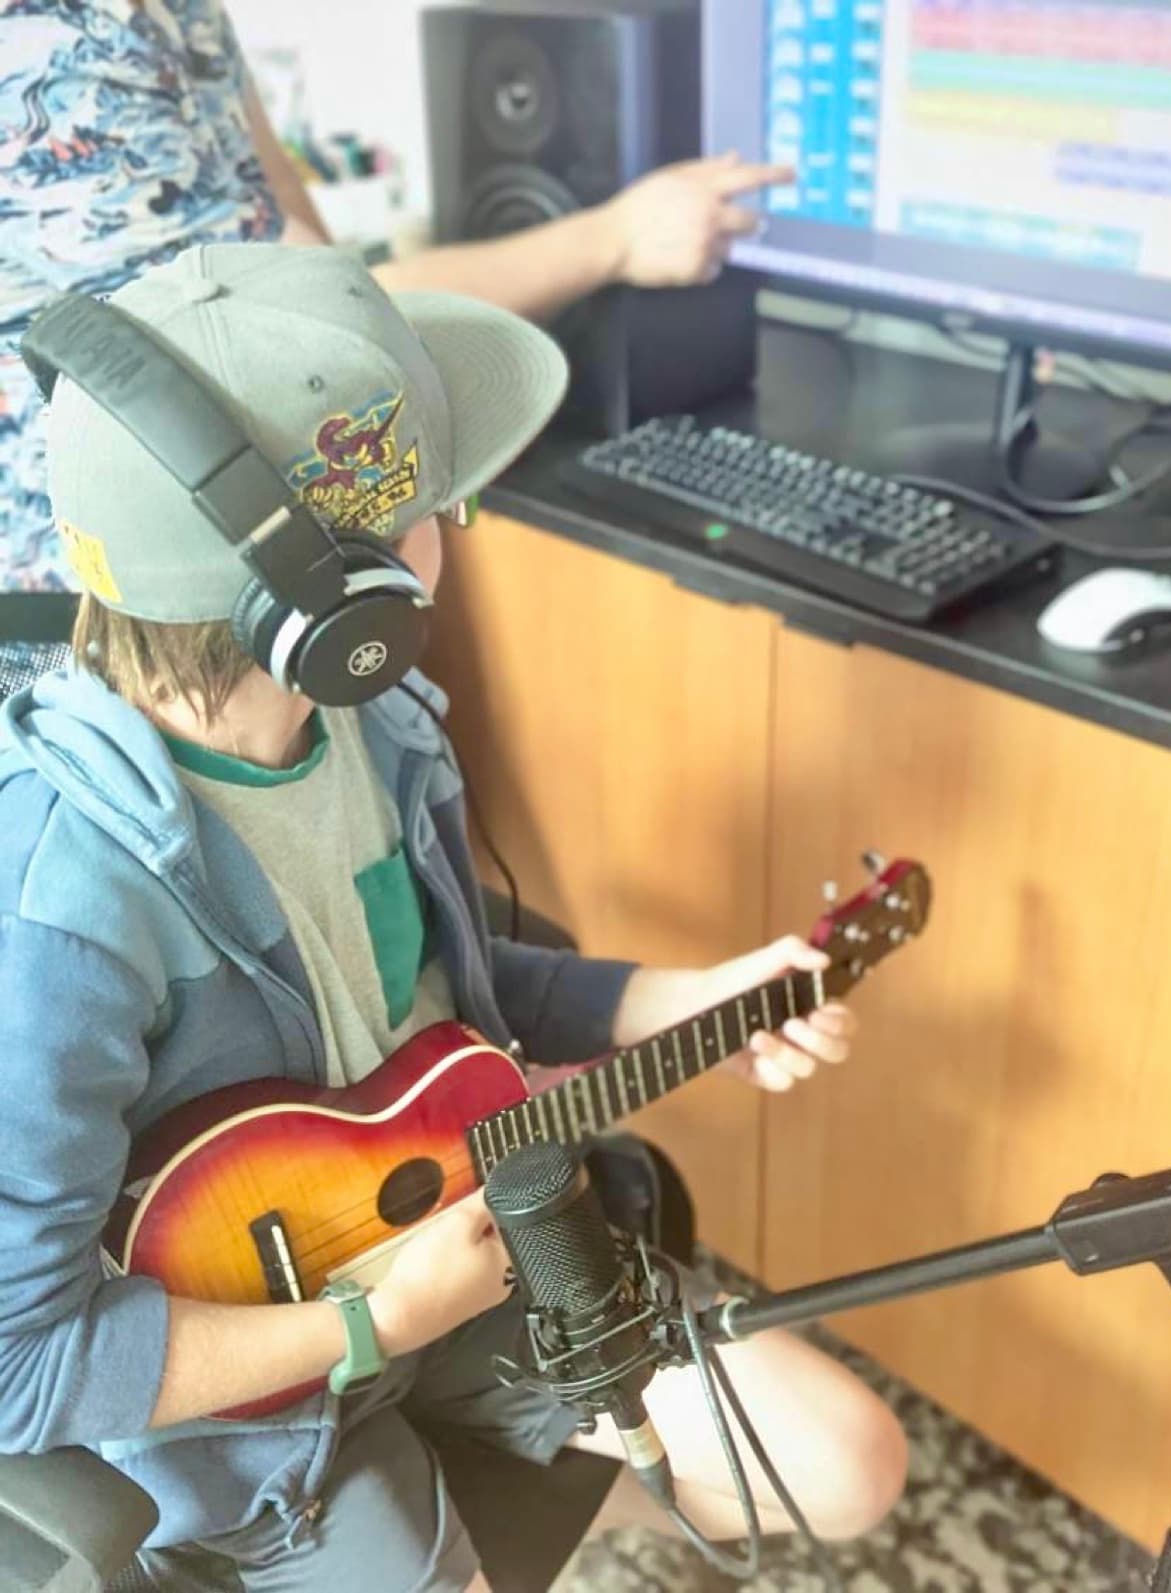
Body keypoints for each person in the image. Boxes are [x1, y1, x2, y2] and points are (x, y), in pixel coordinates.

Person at [0, 242, 906, 1591]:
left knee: (848, 1460)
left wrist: (691, 995)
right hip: (259, 1404)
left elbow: (442, 988)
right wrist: (370, 1321)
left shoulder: (369, 727)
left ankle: (512, 1486)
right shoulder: (61, 915)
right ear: (332, 601)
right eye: (444, 508)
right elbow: (22, 1366)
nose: (451, 537)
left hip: (466, 1249)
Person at [1, 0, 786, 608]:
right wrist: (615, 238)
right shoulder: (48, 46)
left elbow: (294, 238)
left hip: (282, 523)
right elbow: (303, 321)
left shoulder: (180, 12)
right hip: (138, 599)